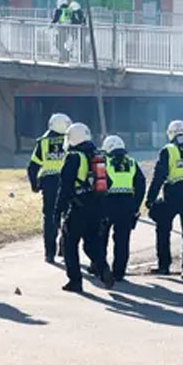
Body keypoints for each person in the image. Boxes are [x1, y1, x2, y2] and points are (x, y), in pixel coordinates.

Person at [56, 122, 113, 293]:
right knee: (91, 243)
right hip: (97, 205)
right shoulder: (98, 155)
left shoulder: (74, 156)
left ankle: (75, 281)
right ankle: (103, 270)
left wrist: (58, 211)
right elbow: (107, 181)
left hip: (79, 206)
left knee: (69, 243)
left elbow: (64, 186)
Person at [145, 120, 183, 280]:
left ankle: (164, 266)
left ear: (170, 134)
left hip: (173, 195)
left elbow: (159, 177)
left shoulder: (168, 150)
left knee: (163, 229)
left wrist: (150, 199)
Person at [100, 135, 146, 282]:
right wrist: (135, 205)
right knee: (122, 240)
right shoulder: (132, 162)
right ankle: (119, 272)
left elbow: (99, 184)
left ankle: (100, 267)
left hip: (108, 203)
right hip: (127, 203)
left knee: (101, 237)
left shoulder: (104, 162)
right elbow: (141, 184)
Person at [27, 113, 72, 263]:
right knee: (68, 215)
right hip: (67, 182)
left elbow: (32, 166)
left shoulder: (44, 142)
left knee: (50, 217)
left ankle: (49, 253)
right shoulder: (71, 140)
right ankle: (64, 248)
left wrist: (35, 185)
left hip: (49, 183)